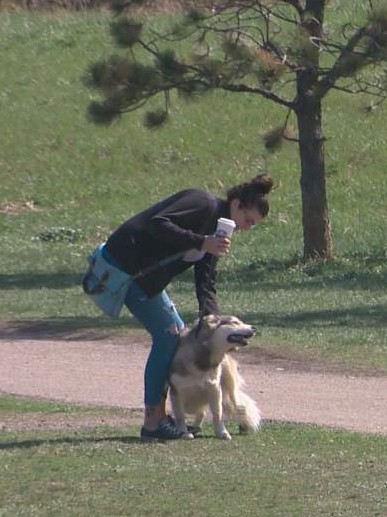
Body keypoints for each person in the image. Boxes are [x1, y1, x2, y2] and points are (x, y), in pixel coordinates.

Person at [100, 174, 275, 441]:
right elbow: (158, 224)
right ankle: (153, 421)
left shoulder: (218, 235)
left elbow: (205, 279)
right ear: (236, 204)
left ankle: (161, 416)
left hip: (147, 281)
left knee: (175, 333)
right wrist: (201, 241)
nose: (247, 228)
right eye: (248, 220)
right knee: (169, 336)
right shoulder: (201, 202)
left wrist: (211, 319)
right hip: (125, 268)